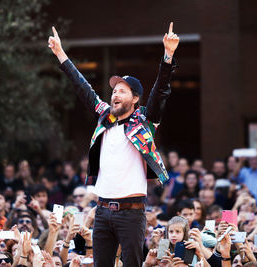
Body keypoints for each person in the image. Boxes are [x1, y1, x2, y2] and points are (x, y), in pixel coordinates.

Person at [48, 22, 179, 267]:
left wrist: (168, 56)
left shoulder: (145, 121)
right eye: (114, 91)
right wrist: (60, 54)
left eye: (122, 91)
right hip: (102, 210)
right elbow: (83, 87)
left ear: (135, 98)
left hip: (132, 212)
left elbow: (160, 91)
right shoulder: (104, 117)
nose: (115, 95)